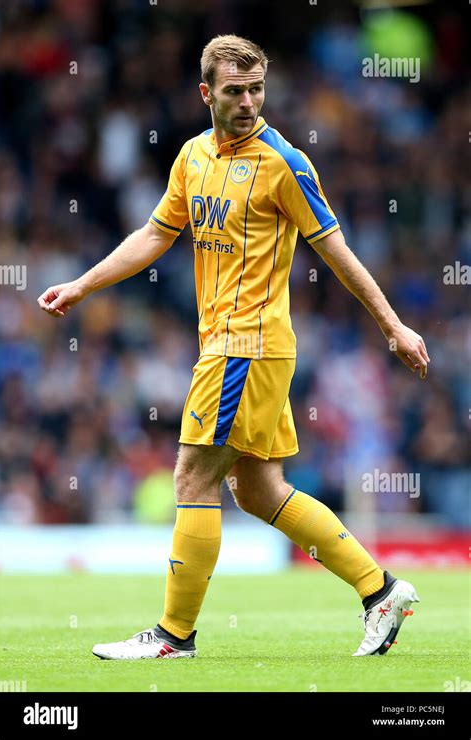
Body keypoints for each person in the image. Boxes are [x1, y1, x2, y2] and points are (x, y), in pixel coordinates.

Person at [38, 35, 427, 660]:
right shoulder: (192, 157)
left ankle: (173, 636)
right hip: (229, 345)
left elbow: (337, 251)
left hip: (248, 344)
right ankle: (379, 590)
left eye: (256, 90)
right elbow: (154, 234)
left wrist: (391, 325)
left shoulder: (286, 163)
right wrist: (84, 285)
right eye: (234, 91)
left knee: (193, 473)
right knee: (259, 490)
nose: (248, 103)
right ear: (206, 94)